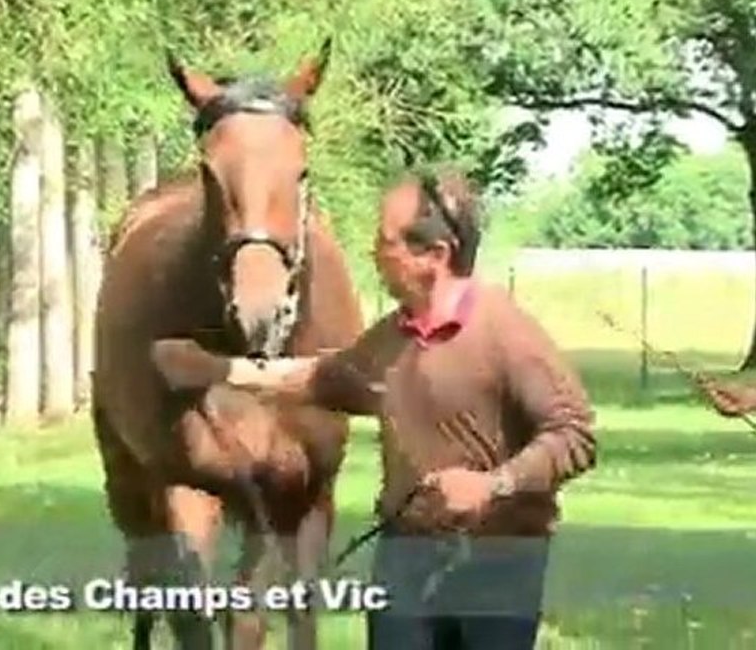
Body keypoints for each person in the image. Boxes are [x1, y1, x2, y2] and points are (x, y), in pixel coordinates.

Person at [152, 166, 597, 650]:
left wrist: (494, 485)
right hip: (405, 553)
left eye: (386, 243)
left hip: (499, 562)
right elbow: (322, 378)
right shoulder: (394, 336)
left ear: (435, 255)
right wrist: (217, 370)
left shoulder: (507, 334)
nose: (374, 254)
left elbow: (574, 435)